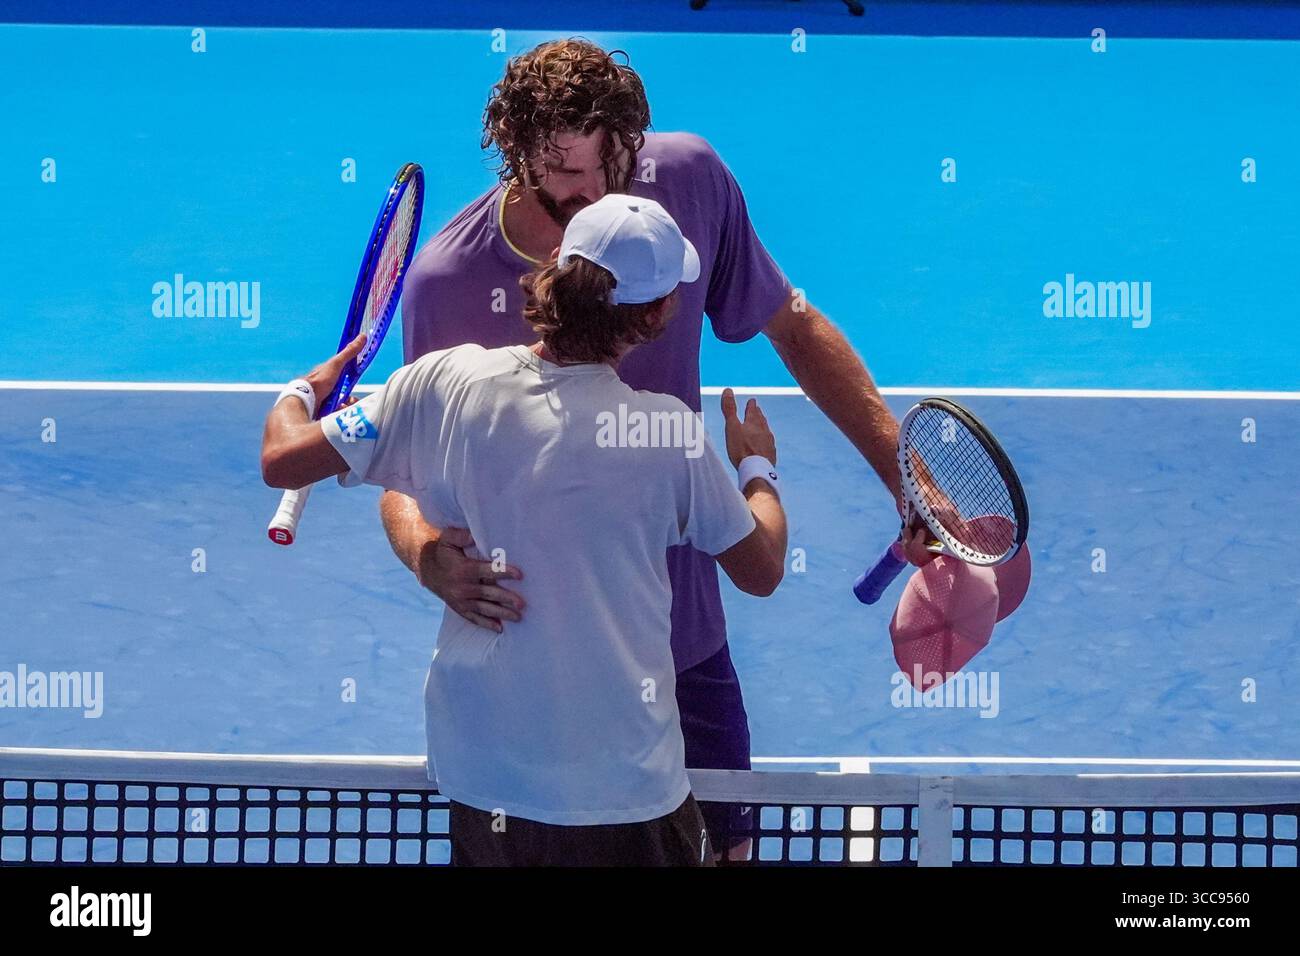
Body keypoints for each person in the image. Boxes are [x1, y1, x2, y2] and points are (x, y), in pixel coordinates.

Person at [379, 37, 904, 854]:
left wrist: (906, 475)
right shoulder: (448, 281)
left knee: (727, 854)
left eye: (609, 174)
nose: (592, 202)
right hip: (529, 678)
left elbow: (792, 326)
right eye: (565, 187)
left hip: (684, 645)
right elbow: (403, 466)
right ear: (515, 157)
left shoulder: (686, 183)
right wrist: (422, 552)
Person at [261, 194, 788, 865]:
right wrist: (756, 464)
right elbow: (763, 566)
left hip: (490, 792)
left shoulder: (443, 382)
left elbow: (283, 460)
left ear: (557, 273)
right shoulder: (668, 436)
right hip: (629, 800)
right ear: (656, 317)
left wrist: (302, 391)